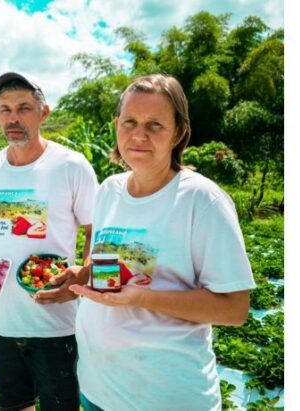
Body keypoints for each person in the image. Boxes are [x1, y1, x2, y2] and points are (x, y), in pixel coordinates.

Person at [64, 74, 256, 410]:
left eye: (155, 124)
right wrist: (79, 276)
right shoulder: (109, 190)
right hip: (98, 388)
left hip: (163, 396)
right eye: (130, 122)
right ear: (116, 125)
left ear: (179, 132)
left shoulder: (200, 200)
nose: (139, 135)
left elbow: (234, 308)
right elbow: (112, 267)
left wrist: (142, 298)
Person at [0, 72, 98, 411]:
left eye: (23, 108)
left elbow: (96, 230)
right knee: (14, 404)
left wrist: (83, 273)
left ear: (43, 113)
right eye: (4, 110)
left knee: (60, 405)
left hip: (55, 320)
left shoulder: (71, 165)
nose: (13, 118)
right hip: (0, 319)